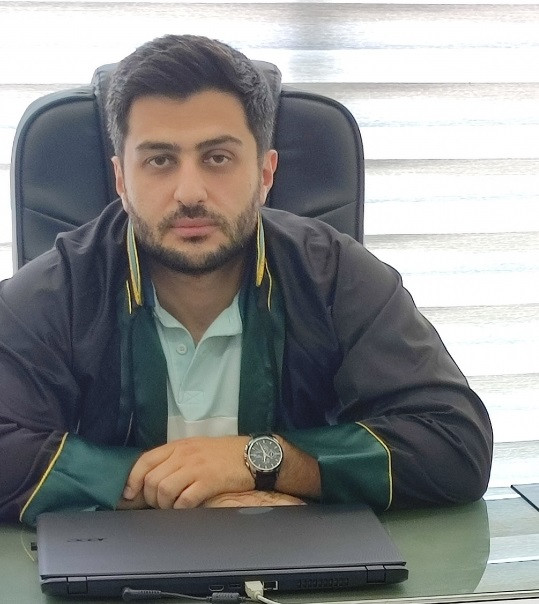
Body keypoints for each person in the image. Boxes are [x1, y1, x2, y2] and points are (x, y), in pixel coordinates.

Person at [0, 34, 493, 526]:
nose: (190, 192)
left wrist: (260, 461)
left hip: (297, 561)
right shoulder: (54, 289)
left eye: (217, 157)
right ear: (121, 181)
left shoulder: (336, 275)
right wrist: (167, 488)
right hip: (108, 565)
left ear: (265, 173)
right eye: (159, 160)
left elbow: (454, 442)